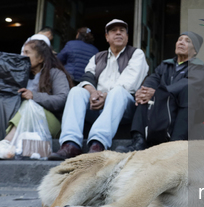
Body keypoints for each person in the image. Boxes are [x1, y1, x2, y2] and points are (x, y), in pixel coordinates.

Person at [49, 19, 149, 160]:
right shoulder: (97, 57)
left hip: (124, 108)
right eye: (114, 31)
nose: (118, 33)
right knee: (76, 91)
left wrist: (105, 96)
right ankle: (70, 144)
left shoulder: (136, 54)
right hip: (98, 105)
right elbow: (87, 77)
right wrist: (93, 93)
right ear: (107, 37)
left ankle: (98, 143)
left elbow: (129, 84)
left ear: (127, 36)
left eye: (122, 30)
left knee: (118, 92)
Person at [0, 40, 73, 159]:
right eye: (22, 52)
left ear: (41, 58)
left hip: (52, 123)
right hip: (26, 122)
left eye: (27, 53)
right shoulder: (20, 74)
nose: (23, 56)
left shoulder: (55, 73)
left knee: (29, 104)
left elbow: (62, 99)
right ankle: (17, 149)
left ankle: (7, 142)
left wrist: (34, 96)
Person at [117, 32, 204, 152]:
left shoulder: (198, 67)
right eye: (180, 39)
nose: (181, 42)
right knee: (145, 94)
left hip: (192, 107)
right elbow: (153, 79)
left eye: (187, 41)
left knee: (188, 90)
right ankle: (138, 141)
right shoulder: (166, 65)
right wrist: (144, 91)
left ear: (195, 51)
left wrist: (160, 92)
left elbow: (188, 83)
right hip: (167, 104)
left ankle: (176, 142)